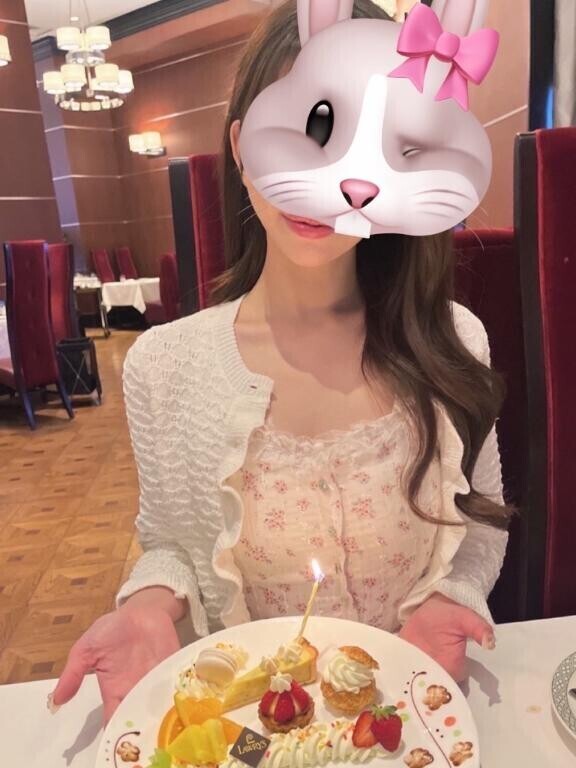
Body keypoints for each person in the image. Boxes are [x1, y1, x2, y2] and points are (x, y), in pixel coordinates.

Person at [50, 0, 510, 724]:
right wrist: (146, 603)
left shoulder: (453, 339)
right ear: (242, 145)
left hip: (415, 722)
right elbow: (170, 546)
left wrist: (456, 597)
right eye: (313, 129)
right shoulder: (165, 366)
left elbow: (479, 526)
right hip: (255, 732)